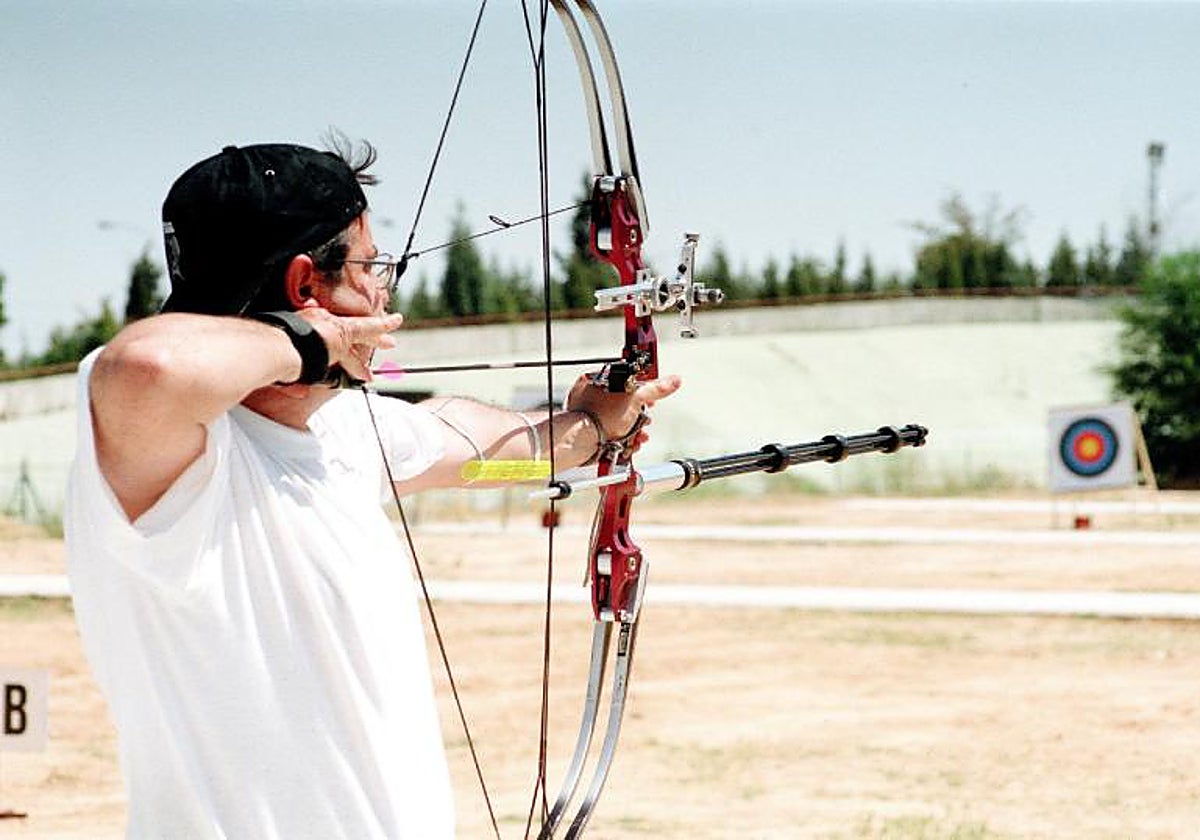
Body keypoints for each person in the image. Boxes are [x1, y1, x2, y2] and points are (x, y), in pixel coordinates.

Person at [63, 140, 679, 839]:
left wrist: (596, 427)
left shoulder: (345, 436)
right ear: (305, 288)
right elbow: (147, 365)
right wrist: (307, 342)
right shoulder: (179, 464)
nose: (384, 290)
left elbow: (484, 451)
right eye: (369, 265)